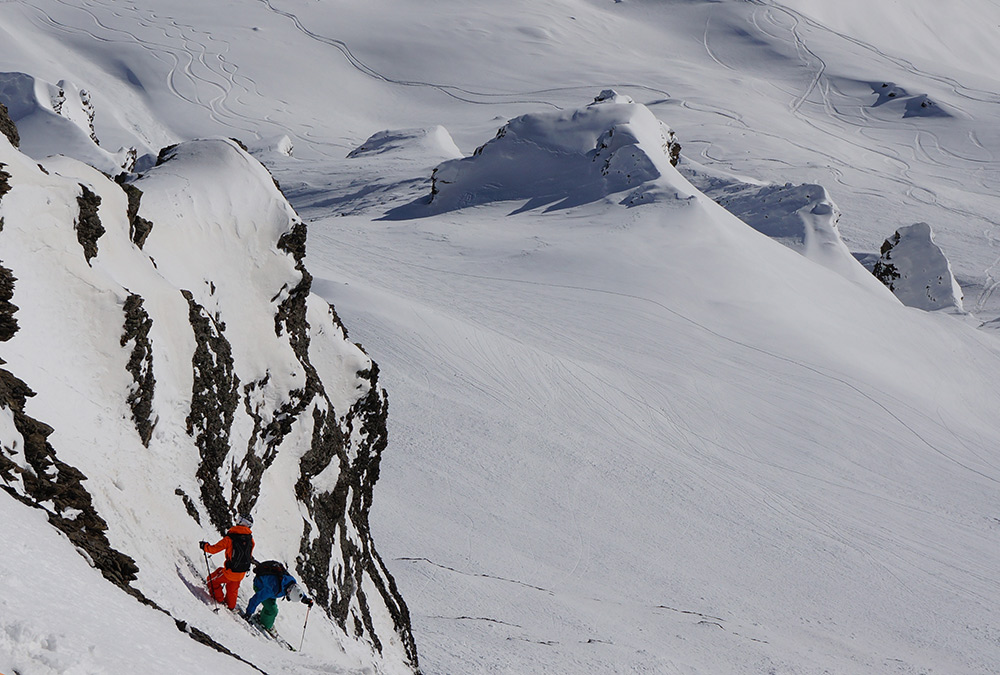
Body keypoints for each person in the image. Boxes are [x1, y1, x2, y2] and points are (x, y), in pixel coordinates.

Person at [200, 514, 255, 611]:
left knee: (211, 581)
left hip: (230, 572)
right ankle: (230, 606)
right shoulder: (250, 540)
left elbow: (214, 549)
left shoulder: (230, 538)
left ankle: (219, 600)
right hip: (241, 573)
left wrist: (205, 546)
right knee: (232, 590)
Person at [245, 560, 314, 632]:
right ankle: (264, 624)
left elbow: (296, 591)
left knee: (270, 605)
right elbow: (256, 598)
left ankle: (264, 618)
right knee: (273, 610)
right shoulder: (274, 588)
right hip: (259, 586)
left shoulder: (291, 582)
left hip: (269, 587)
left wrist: (304, 599)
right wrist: (248, 613)